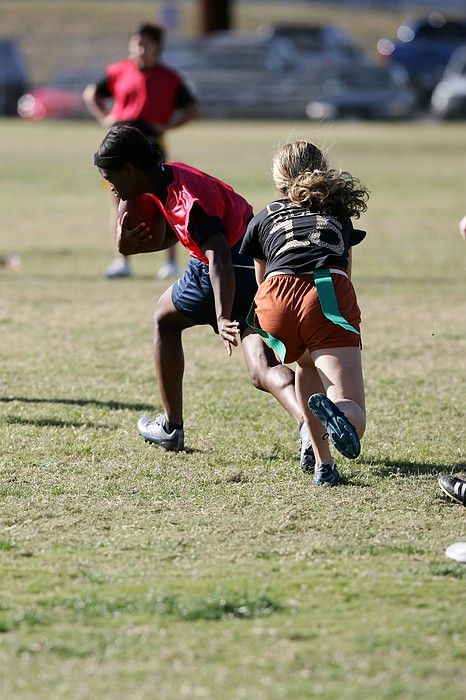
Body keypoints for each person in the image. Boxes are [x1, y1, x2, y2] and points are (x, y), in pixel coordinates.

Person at [92, 124, 315, 470]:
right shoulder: (170, 176)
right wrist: (130, 247)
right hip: (258, 264)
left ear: (129, 169)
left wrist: (223, 315)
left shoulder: (183, 199)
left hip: (225, 268)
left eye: (111, 179)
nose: (112, 189)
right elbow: (183, 236)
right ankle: (308, 427)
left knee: (164, 320)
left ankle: (171, 426)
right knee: (263, 368)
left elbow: (217, 257)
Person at [240, 140, 368, 486]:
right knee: (351, 406)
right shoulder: (337, 213)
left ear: (279, 180)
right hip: (325, 291)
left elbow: (260, 279)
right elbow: (346, 273)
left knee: (305, 366)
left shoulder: (265, 215)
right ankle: (338, 416)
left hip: (274, 298)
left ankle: (323, 466)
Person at [83, 22, 199, 279]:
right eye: (136, 42)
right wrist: (105, 117)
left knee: (163, 198)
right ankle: (121, 261)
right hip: (120, 141)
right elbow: (92, 94)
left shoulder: (169, 77)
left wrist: (169, 125)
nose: (140, 48)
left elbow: (192, 108)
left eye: (146, 44)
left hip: (150, 143)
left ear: (157, 48)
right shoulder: (118, 71)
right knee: (118, 199)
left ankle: (169, 263)